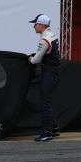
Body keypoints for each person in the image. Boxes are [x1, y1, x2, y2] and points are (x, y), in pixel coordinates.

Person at [28, 14, 60, 142]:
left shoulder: (44, 39)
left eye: (35, 24)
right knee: (47, 101)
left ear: (41, 25)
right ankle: (55, 127)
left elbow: (36, 60)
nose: (34, 26)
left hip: (49, 72)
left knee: (45, 103)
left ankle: (47, 132)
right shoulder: (52, 35)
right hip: (54, 71)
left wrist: (30, 58)